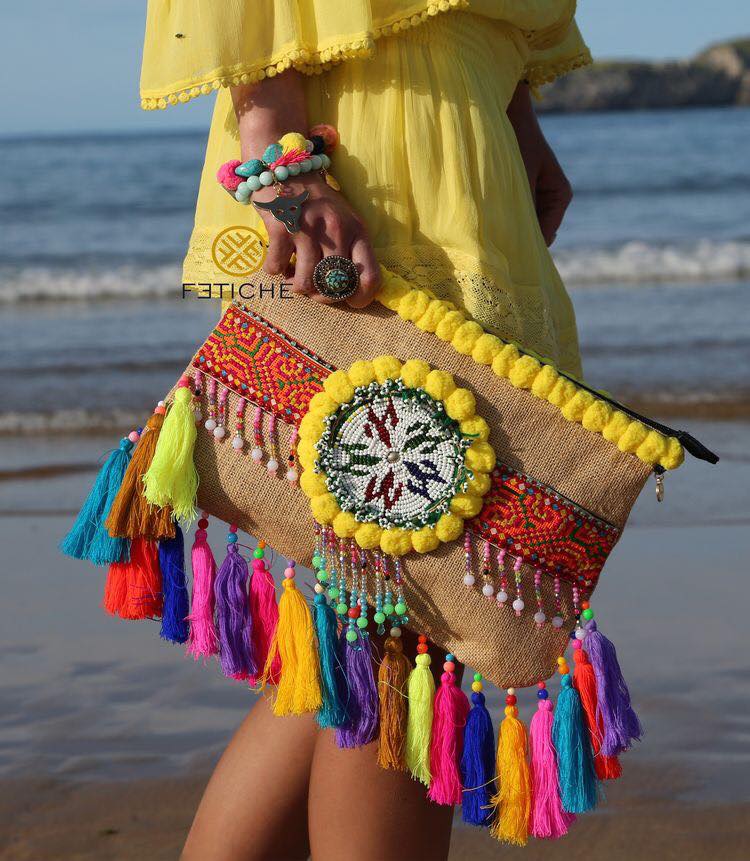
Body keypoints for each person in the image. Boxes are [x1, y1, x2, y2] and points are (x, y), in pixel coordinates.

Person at [139, 2, 591, 858]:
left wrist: (512, 107)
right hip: (369, 160)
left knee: (367, 612)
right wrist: (281, 161)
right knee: (414, 609)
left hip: (456, 145)